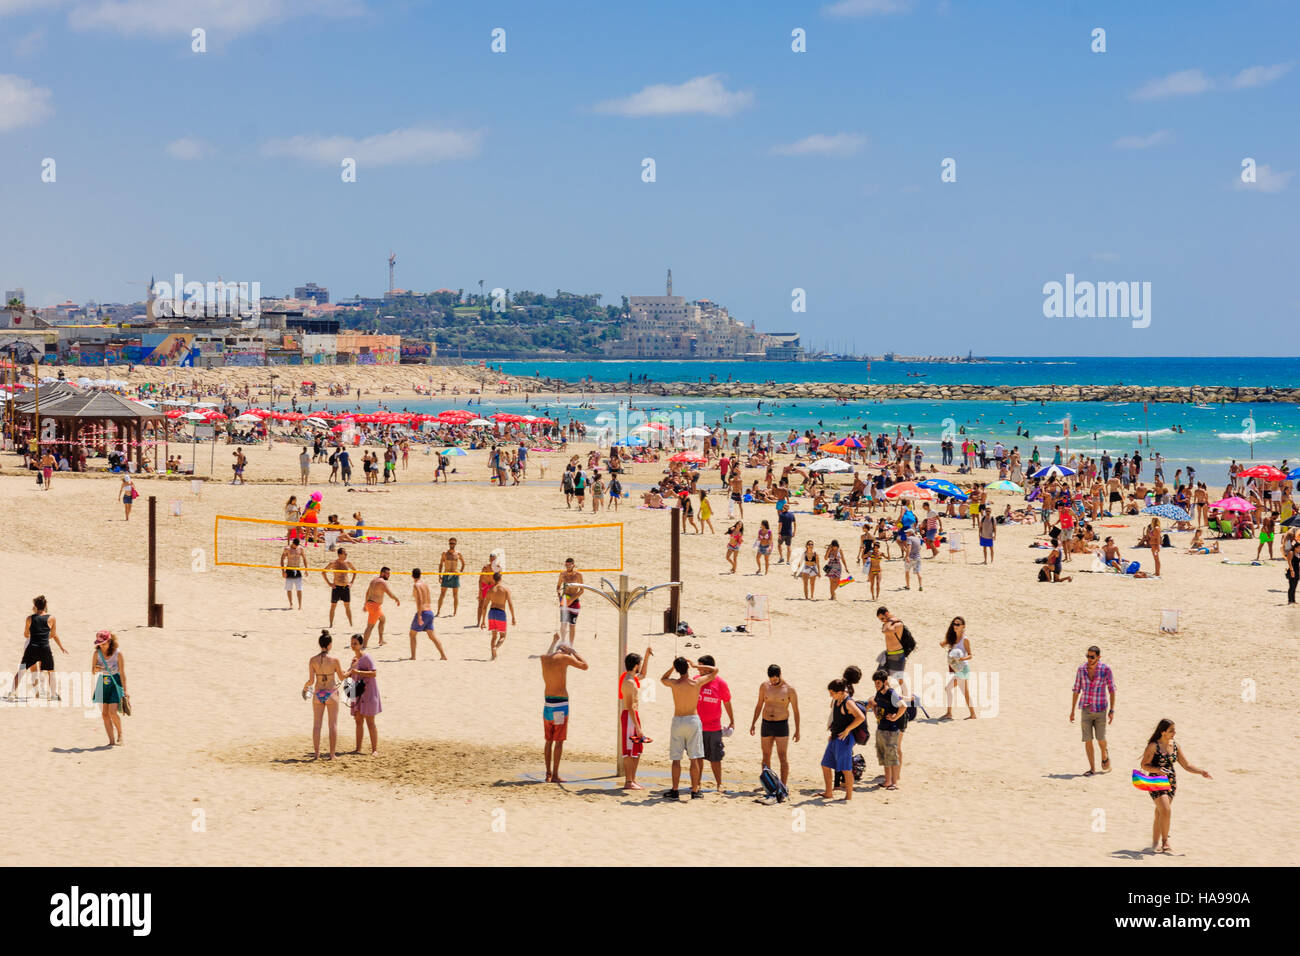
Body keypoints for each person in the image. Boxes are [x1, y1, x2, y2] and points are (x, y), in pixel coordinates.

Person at [1140, 718, 1211, 854]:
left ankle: (1154, 843)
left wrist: (1201, 771)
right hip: (1155, 780)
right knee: (1166, 810)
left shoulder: (1175, 746)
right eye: (1171, 730)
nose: (1174, 732)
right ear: (1163, 732)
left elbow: (1186, 765)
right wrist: (1158, 770)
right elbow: (1144, 765)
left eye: (1174, 730)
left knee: (1160, 813)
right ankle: (1165, 841)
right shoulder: (1153, 746)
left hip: (1171, 782)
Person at [659, 656, 717, 800]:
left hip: (678, 719)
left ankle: (675, 789)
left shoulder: (674, 683)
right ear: (687, 668)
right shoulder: (696, 682)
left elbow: (663, 678)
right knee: (694, 758)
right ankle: (695, 790)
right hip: (692, 719)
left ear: (677, 670)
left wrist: (673, 666)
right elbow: (715, 670)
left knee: (676, 759)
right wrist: (695, 666)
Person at [540, 640, 589, 782]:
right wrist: (573, 652)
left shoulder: (544, 659)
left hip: (547, 703)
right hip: (560, 705)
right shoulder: (566, 657)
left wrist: (555, 640)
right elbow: (585, 666)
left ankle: (548, 773)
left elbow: (548, 653)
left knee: (548, 740)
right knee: (559, 741)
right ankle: (555, 775)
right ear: (565, 650)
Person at [5, 595, 68, 701]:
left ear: (35, 606)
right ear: (45, 606)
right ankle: (53, 694)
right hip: (45, 647)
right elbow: (53, 634)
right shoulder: (51, 618)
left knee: (21, 670)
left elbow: (26, 634)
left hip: (32, 647)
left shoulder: (29, 618)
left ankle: (12, 693)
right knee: (51, 671)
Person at [749, 664, 800, 785]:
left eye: (776, 679)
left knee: (782, 756)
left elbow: (796, 711)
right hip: (766, 723)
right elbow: (759, 705)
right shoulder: (764, 686)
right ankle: (767, 784)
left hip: (781, 725)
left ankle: (783, 785)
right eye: (771, 679)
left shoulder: (789, 689)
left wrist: (797, 730)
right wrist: (753, 723)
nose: (773, 681)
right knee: (766, 755)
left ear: (780, 675)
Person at [1070, 645, 1115, 776]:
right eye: (1087, 656)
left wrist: (1112, 710)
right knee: (1087, 739)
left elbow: (1111, 690)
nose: (1089, 659)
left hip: (1101, 709)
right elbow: (1076, 690)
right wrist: (1072, 710)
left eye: (1092, 657)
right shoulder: (1081, 670)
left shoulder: (1106, 670)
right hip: (1086, 708)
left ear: (1098, 657)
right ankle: (1092, 769)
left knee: (1100, 738)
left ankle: (1104, 752)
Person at [302, 630, 347, 760]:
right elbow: (342, 676)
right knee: (332, 725)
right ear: (329, 645)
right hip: (331, 693)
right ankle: (332, 754)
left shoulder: (312, 660)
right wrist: (351, 671)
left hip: (318, 693)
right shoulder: (334, 660)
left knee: (317, 725)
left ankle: (316, 754)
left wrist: (305, 687)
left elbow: (311, 681)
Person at [820, 678, 865, 801]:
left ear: (839, 692)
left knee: (846, 769)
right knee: (825, 764)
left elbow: (861, 717)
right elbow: (837, 718)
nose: (830, 695)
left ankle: (848, 796)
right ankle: (829, 793)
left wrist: (848, 730)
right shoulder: (836, 701)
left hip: (845, 739)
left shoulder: (848, 703)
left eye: (832, 693)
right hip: (835, 737)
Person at [695, 654, 734, 793]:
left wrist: (732, 721)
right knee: (698, 756)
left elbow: (727, 702)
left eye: (700, 667)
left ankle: (719, 784)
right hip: (697, 726)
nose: (698, 670)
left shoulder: (720, 683)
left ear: (708, 668)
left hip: (714, 727)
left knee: (715, 757)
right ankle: (697, 783)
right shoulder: (696, 680)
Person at [619, 647, 654, 790]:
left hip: (632, 716)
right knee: (629, 749)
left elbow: (644, 674)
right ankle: (628, 781)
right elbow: (630, 706)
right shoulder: (629, 682)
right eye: (639, 663)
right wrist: (638, 728)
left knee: (637, 748)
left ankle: (632, 779)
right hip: (629, 716)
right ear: (635, 666)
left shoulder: (632, 678)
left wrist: (646, 656)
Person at [871, 668, 907, 790]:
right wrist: (876, 712)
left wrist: (895, 717)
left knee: (892, 756)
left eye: (878, 683)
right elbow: (874, 703)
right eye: (875, 683)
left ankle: (895, 783)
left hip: (892, 729)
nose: (876, 685)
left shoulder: (891, 693)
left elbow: (903, 706)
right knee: (885, 756)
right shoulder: (879, 693)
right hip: (881, 727)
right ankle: (887, 781)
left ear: (885, 682)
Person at [91, 629, 129, 746]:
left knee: (113, 712)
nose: (101, 646)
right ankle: (111, 741)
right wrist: (96, 669)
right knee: (104, 714)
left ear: (110, 641)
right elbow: (93, 671)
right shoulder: (97, 654)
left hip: (115, 682)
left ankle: (120, 734)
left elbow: (122, 673)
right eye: (99, 644)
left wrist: (125, 691)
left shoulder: (118, 654)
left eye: (103, 643)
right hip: (103, 682)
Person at [347, 633, 381, 755]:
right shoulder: (354, 660)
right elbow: (348, 674)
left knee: (370, 722)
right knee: (358, 721)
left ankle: (374, 750)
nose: (353, 646)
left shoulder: (367, 658)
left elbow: (374, 673)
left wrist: (358, 671)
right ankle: (358, 748)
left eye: (355, 643)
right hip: (357, 693)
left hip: (369, 693)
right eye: (352, 643)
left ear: (361, 644)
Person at [940, 616, 975, 720]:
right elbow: (943, 644)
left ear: (963, 626)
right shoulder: (953, 637)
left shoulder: (965, 639)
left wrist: (961, 659)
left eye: (958, 624)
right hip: (958, 669)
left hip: (963, 669)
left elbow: (970, 655)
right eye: (954, 624)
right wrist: (944, 643)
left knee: (948, 688)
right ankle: (973, 714)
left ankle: (949, 713)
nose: (955, 626)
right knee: (965, 692)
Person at [407, 569, 446, 660]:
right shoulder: (425, 584)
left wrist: (419, 615)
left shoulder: (416, 585)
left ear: (412, 576)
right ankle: (443, 655)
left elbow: (420, 600)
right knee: (432, 636)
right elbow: (428, 598)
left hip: (423, 612)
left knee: (412, 634)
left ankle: (413, 656)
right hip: (430, 612)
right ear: (420, 575)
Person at [876, 606, 912, 696]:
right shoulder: (888, 623)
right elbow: (884, 629)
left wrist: (890, 620)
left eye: (882, 618)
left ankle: (906, 698)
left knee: (899, 680)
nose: (882, 621)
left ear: (887, 614)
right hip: (887, 655)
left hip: (897, 655)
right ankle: (886, 695)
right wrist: (888, 621)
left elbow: (885, 630)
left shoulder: (898, 624)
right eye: (881, 620)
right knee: (879, 676)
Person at [362, 567, 401, 647]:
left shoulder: (374, 580)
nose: (389, 575)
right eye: (387, 573)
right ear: (382, 573)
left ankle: (381, 640)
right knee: (370, 626)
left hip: (371, 604)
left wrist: (365, 604)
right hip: (375, 606)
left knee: (382, 619)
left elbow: (367, 593)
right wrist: (396, 599)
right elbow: (390, 594)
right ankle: (364, 645)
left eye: (389, 574)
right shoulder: (382, 582)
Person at [482, 572, 516, 661]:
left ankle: (493, 656)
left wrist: (483, 621)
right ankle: (496, 648)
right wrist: (513, 617)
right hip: (500, 612)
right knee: (503, 636)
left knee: (493, 636)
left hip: (492, 612)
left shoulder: (490, 590)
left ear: (493, 579)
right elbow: (510, 604)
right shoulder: (505, 590)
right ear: (500, 579)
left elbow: (485, 606)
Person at [321, 549, 356, 628]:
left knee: (347, 606)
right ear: (340, 554)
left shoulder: (348, 563)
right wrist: (329, 584)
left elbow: (355, 571)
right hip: (336, 587)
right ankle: (330, 624)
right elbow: (323, 572)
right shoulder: (333, 563)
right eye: (345, 553)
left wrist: (352, 582)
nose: (346, 555)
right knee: (333, 606)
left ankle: (351, 624)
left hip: (345, 587)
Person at [555, 557, 584, 644]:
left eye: (569, 565)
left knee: (572, 625)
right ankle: (563, 642)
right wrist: (559, 596)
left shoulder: (578, 575)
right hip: (564, 599)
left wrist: (571, 599)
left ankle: (571, 645)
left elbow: (582, 590)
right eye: (566, 565)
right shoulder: (562, 574)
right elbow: (558, 586)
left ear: (573, 565)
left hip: (574, 600)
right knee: (563, 624)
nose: (567, 566)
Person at [436, 537, 465, 616]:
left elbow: (463, 563)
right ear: (448, 544)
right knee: (442, 594)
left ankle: (455, 612)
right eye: (450, 543)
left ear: (455, 544)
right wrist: (439, 576)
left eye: (453, 543)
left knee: (455, 595)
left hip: (455, 575)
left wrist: (460, 572)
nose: (451, 544)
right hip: (446, 574)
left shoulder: (458, 553)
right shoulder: (445, 553)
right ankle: (438, 611)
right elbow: (441, 564)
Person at [280, 537, 307, 610]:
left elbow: (304, 558)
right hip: (289, 569)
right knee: (289, 588)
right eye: (295, 545)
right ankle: (291, 603)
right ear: (292, 543)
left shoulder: (300, 548)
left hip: (297, 569)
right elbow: (282, 559)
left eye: (297, 546)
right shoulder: (287, 549)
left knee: (299, 588)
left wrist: (306, 569)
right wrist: (283, 571)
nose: (296, 547)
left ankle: (300, 605)